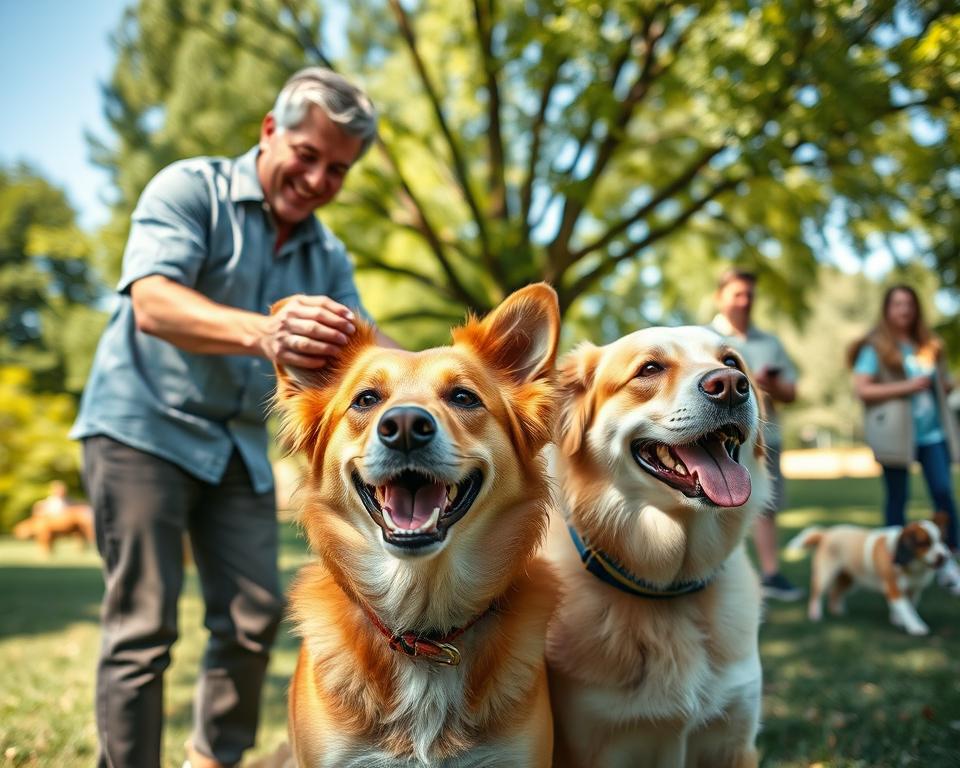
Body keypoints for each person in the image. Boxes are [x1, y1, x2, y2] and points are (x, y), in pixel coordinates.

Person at [70, 67, 396, 768]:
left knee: (252, 619)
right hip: (141, 427)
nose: (316, 181)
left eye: (336, 171)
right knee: (143, 627)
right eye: (306, 156)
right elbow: (152, 301)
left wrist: (482, 376)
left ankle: (212, 761)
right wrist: (265, 334)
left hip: (235, 445)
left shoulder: (324, 253)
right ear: (270, 131)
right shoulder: (192, 189)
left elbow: (375, 349)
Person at [848, 284, 960, 592]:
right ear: (887, 309)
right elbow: (862, 389)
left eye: (909, 303)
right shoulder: (875, 348)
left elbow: (941, 382)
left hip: (932, 433)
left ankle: (948, 562)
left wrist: (945, 384)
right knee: (898, 499)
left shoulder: (929, 345)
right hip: (896, 435)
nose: (904, 309)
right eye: (897, 304)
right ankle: (895, 562)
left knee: (943, 493)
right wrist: (907, 387)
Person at [710, 269, 804, 601]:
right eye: (737, 294)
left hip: (763, 435)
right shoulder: (702, 338)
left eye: (750, 294)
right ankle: (712, 573)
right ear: (719, 298)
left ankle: (770, 574)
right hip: (714, 438)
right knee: (711, 503)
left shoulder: (770, 343)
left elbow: (792, 392)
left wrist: (770, 384)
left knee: (765, 503)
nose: (745, 301)